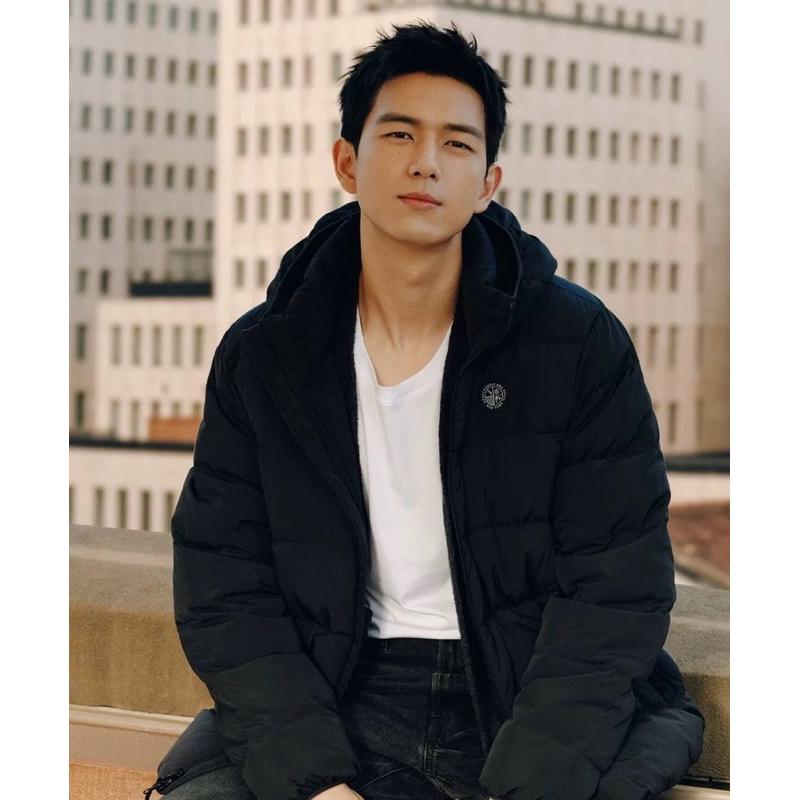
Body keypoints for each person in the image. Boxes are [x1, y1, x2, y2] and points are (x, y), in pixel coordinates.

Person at [146, 21, 705, 800]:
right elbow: (222, 580)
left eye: (457, 142)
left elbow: (615, 590)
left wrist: (533, 779)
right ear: (347, 162)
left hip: (520, 696)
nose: (426, 162)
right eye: (400, 133)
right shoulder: (266, 354)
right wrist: (312, 778)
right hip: (340, 691)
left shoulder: (576, 344)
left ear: (488, 181)